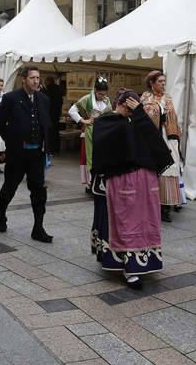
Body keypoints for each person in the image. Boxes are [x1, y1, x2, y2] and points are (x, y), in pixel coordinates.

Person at [90, 88, 173, 288]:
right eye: (126, 108)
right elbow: (113, 147)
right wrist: (134, 118)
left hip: (144, 183)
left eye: (132, 108)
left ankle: (140, 263)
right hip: (119, 184)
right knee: (125, 224)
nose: (129, 111)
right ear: (118, 104)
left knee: (145, 223)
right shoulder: (106, 122)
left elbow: (157, 145)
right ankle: (128, 268)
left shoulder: (140, 121)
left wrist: (140, 115)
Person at [0, 66, 54, 243]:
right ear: (23, 79)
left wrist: (47, 145)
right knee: (10, 187)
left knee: (38, 190)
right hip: (17, 154)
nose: (36, 81)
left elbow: (47, 123)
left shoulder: (43, 99)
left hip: (37, 154)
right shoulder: (11, 98)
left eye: (38, 78)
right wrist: (11, 140)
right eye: (32, 78)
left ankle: (38, 228)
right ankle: (1, 212)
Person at [140, 71, 184, 222]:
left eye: (164, 81)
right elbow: (144, 117)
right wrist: (160, 109)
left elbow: (173, 117)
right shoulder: (146, 98)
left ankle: (166, 206)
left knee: (170, 168)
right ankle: (153, 205)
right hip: (154, 138)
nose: (163, 84)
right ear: (152, 83)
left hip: (168, 136)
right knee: (155, 171)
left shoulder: (168, 97)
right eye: (160, 81)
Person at [69, 77, 112, 189]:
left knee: (101, 157)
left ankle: (99, 182)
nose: (102, 96)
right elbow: (72, 111)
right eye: (100, 94)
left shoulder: (106, 100)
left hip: (102, 133)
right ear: (95, 90)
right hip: (89, 132)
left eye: (104, 94)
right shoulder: (86, 99)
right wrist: (84, 121)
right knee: (89, 157)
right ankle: (90, 183)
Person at [43, 76, 63, 155]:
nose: (45, 83)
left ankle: (51, 150)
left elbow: (47, 101)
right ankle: (56, 150)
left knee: (50, 133)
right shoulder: (58, 90)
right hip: (56, 114)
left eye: (46, 81)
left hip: (50, 115)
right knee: (56, 132)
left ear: (49, 82)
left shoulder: (49, 90)